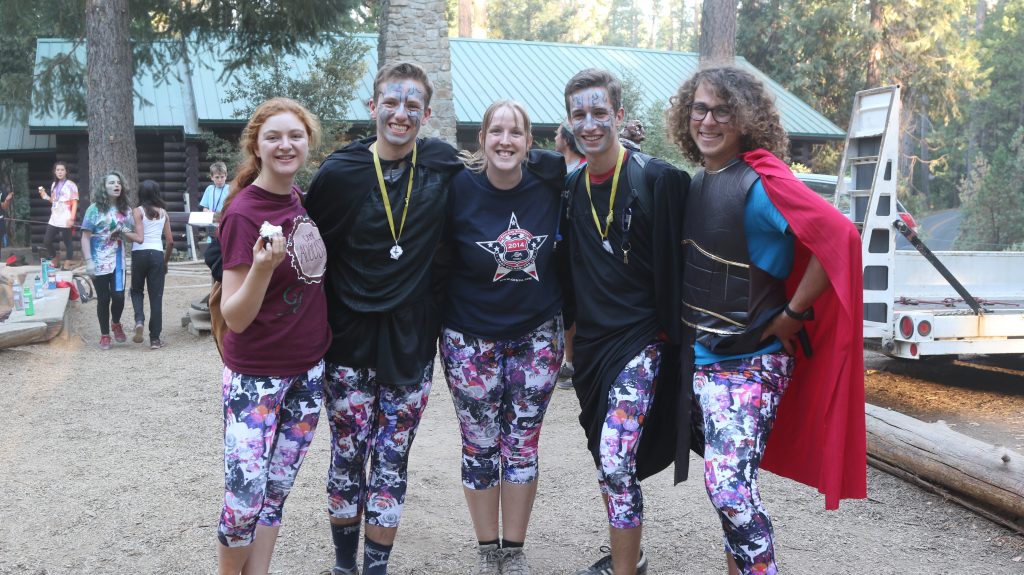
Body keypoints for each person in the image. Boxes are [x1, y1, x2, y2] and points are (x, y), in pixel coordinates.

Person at [666, 65, 866, 575]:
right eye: (700, 109)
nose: (708, 121)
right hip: (703, 361)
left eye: (722, 111)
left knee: (729, 489)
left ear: (745, 119)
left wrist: (794, 314)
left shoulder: (763, 183)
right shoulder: (698, 183)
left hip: (752, 362)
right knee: (732, 488)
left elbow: (839, 237)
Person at [305, 61, 464, 575]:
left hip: (410, 342)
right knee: (348, 456)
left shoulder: (443, 166)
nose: (401, 113)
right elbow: (305, 248)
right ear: (372, 108)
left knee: (393, 460)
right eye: (391, 103)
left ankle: (377, 567)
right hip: (348, 340)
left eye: (412, 105)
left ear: (427, 113)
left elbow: (504, 175)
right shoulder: (340, 173)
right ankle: (343, 564)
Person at [562, 68, 688, 575]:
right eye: (579, 115)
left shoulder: (658, 179)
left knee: (615, 460)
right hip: (592, 351)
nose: (589, 124)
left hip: (642, 343)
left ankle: (624, 568)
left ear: (618, 116)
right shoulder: (570, 190)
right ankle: (627, 553)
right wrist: (570, 345)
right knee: (606, 457)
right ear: (568, 121)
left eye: (598, 113)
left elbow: (690, 263)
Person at [440, 100, 568, 575]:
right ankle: (485, 548)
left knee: (522, 444)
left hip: (537, 337)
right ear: (482, 139)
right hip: (469, 340)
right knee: (479, 445)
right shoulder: (458, 187)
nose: (506, 140)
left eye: (516, 132)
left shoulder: (551, 184)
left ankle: (513, 551)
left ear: (529, 142)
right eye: (496, 131)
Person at [214, 97, 330, 575]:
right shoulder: (244, 213)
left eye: (296, 136)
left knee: (275, 492)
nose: (286, 145)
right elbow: (234, 316)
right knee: (243, 501)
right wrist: (262, 269)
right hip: (255, 378)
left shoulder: (297, 201)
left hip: (308, 372)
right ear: (256, 147)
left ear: (308, 144)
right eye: (274, 137)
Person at [80, 171, 142, 349]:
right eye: (111, 183)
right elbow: (85, 237)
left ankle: (116, 322)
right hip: (98, 260)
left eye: (118, 183)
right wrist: (88, 261)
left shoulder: (126, 210)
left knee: (119, 297)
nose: (116, 185)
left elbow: (132, 236)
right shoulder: (94, 209)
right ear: (103, 187)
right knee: (103, 299)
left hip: (117, 260)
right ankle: (105, 334)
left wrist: (123, 231)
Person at [552, 122, 585, 391]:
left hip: (577, 249)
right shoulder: (554, 169)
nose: (554, 137)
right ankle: (567, 359)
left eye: (557, 133)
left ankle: (573, 361)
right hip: (557, 249)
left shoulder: (584, 170)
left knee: (574, 306)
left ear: (567, 139)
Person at [129, 179, 174, 349]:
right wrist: (165, 262)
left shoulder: (137, 211)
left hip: (139, 254)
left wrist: (124, 232)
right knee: (156, 297)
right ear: (157, 193)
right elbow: (170, 242)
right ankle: (155, 339)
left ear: (141, 194)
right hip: (156, 255)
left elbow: (138, 236)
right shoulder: (164, 213)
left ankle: (139, 320)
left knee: (136, 290)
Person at [38, 161, 79, 266]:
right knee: (47, 241)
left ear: (66, 171)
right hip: (55, 216)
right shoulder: (53, 185)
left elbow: (74, 203)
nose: (60, 172)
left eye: (62, 170)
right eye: (58, 170)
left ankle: (67, 262)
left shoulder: (71, 185)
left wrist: (72, 218)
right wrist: (45, 196)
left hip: (66, 214)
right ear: (55, 172)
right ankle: (55, 258)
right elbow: (53, 200)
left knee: (67, 242)